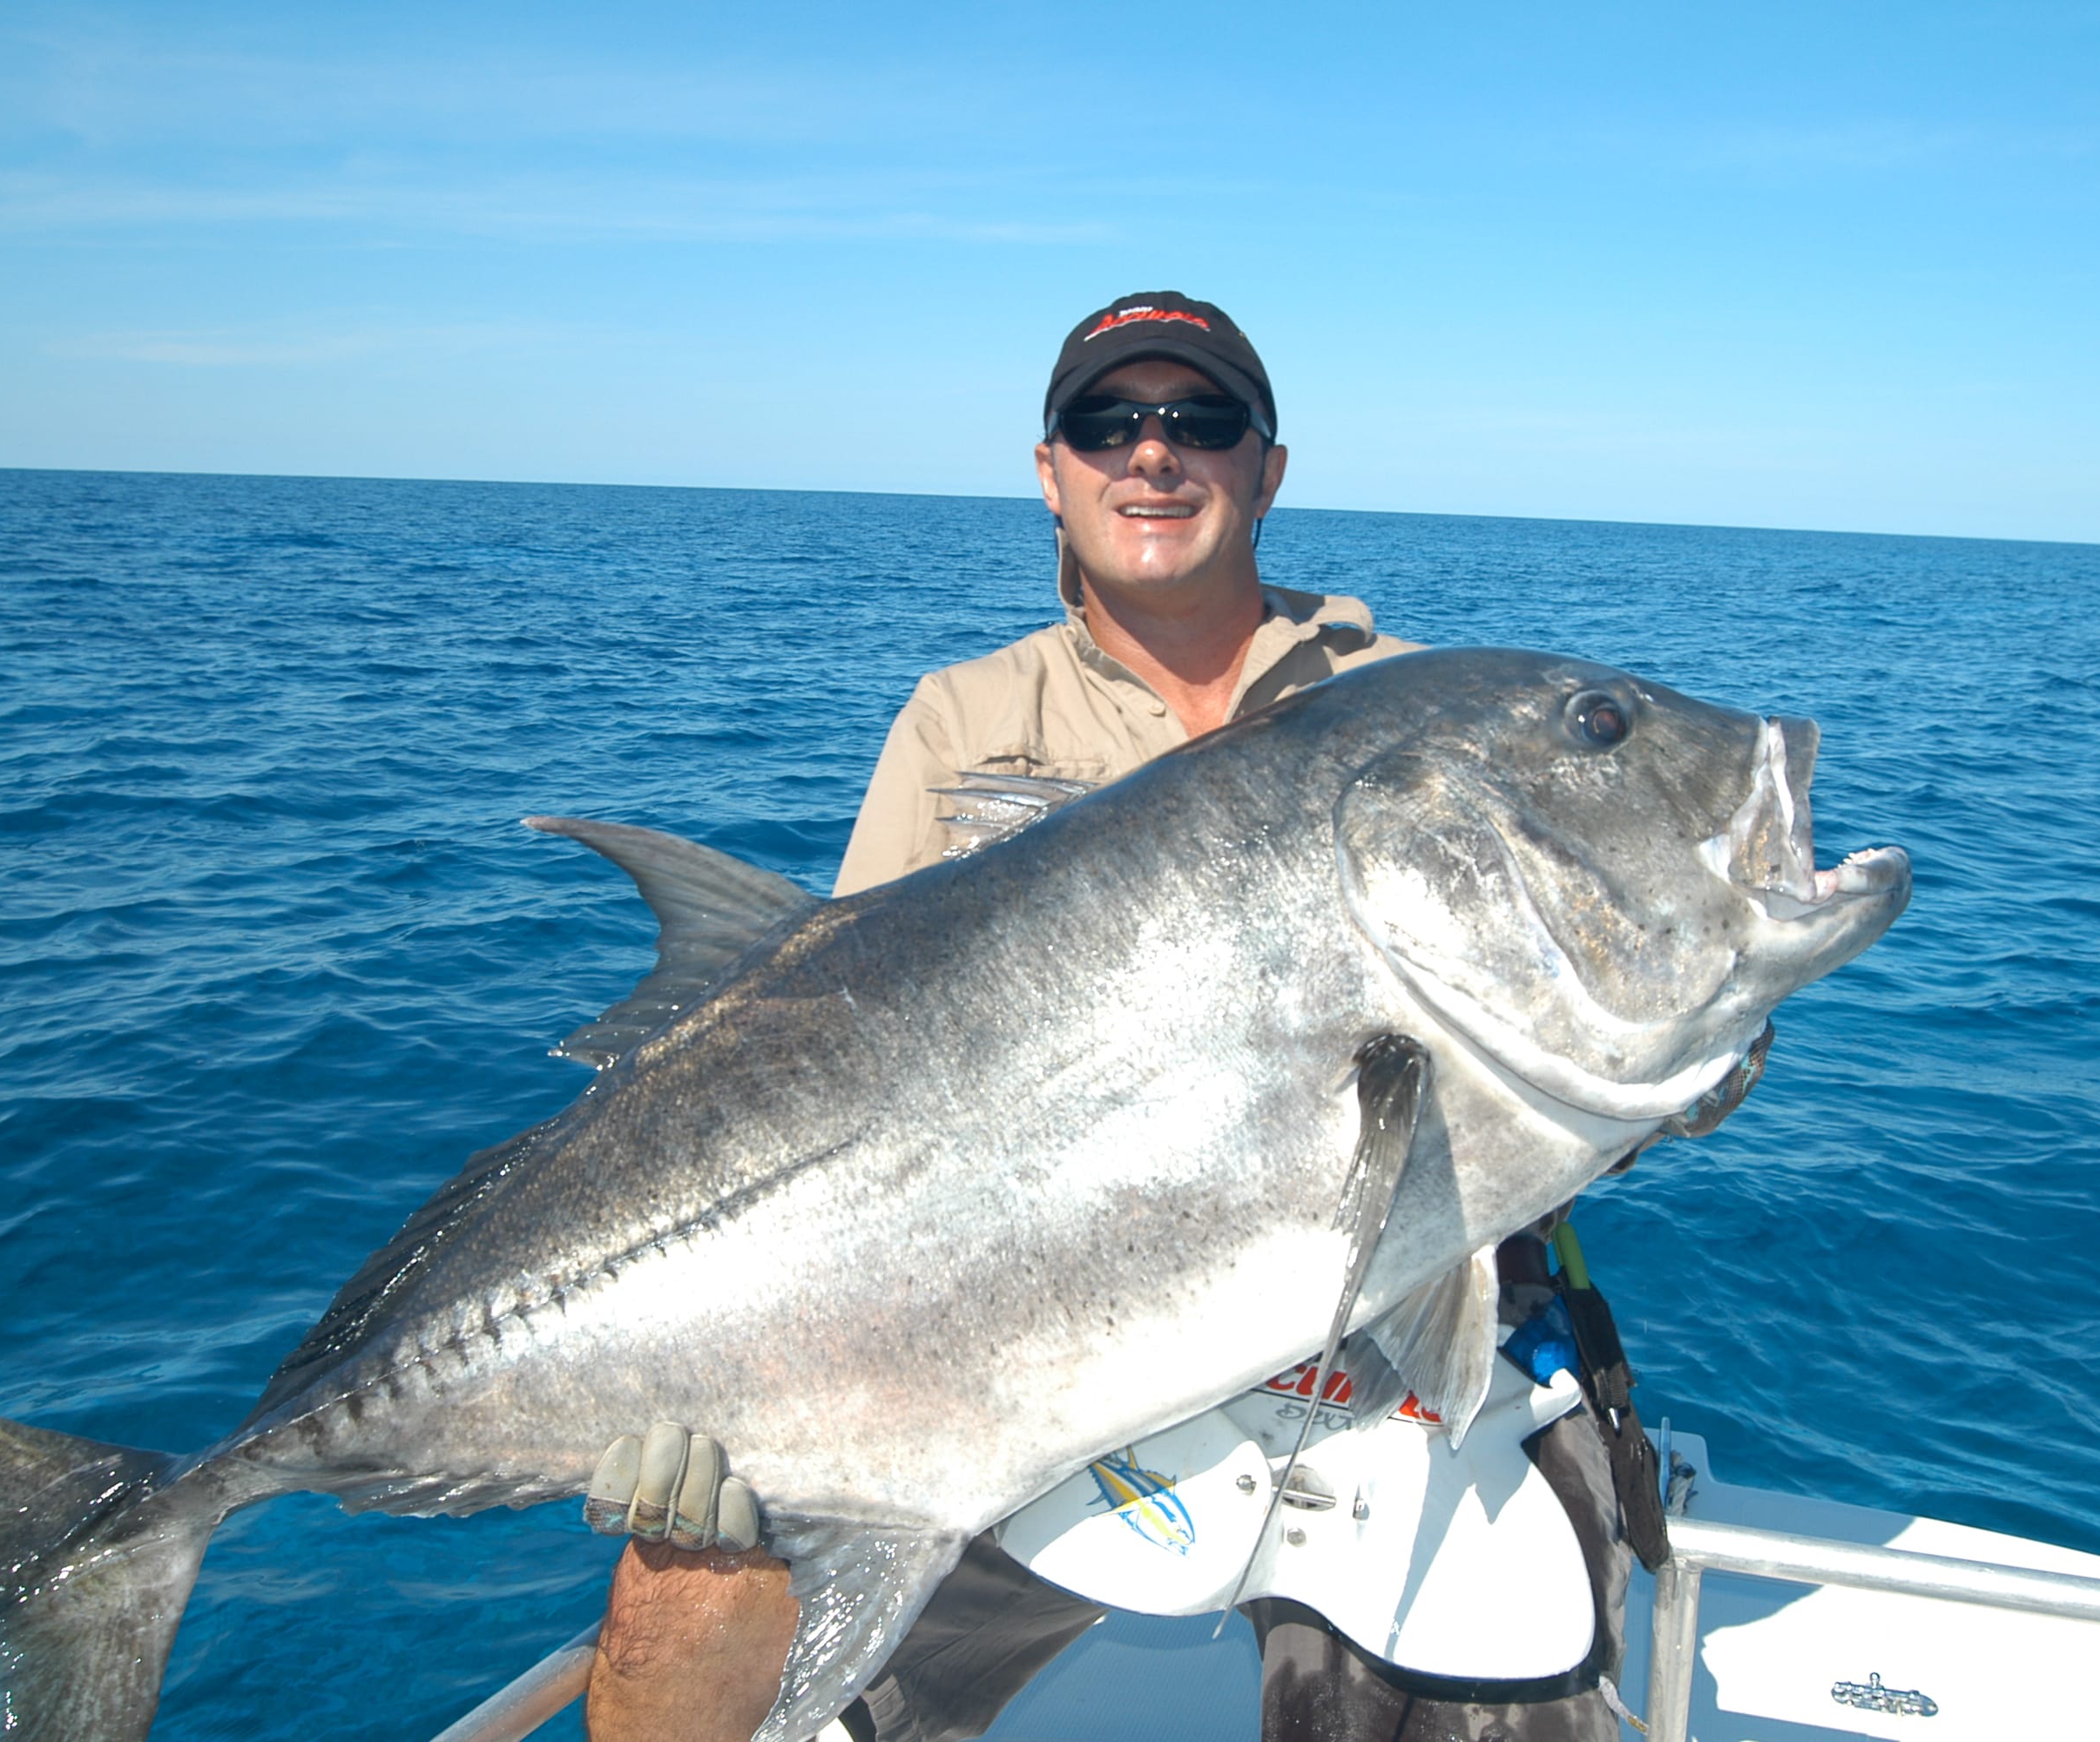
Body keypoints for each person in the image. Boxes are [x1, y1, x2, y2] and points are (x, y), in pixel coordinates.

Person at [583, 293, 1634, 1742]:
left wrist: (1696, 1055)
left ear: (1267, 469)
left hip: (1404, 1317)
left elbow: (1569, 1029)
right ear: (1051, 469)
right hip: (1039, 1327)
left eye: (1202, 422)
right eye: (1108, 423)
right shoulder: (962, 722)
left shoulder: (1412, 711)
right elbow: (813, 1067)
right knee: (700, 1608)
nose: (1154, 454)